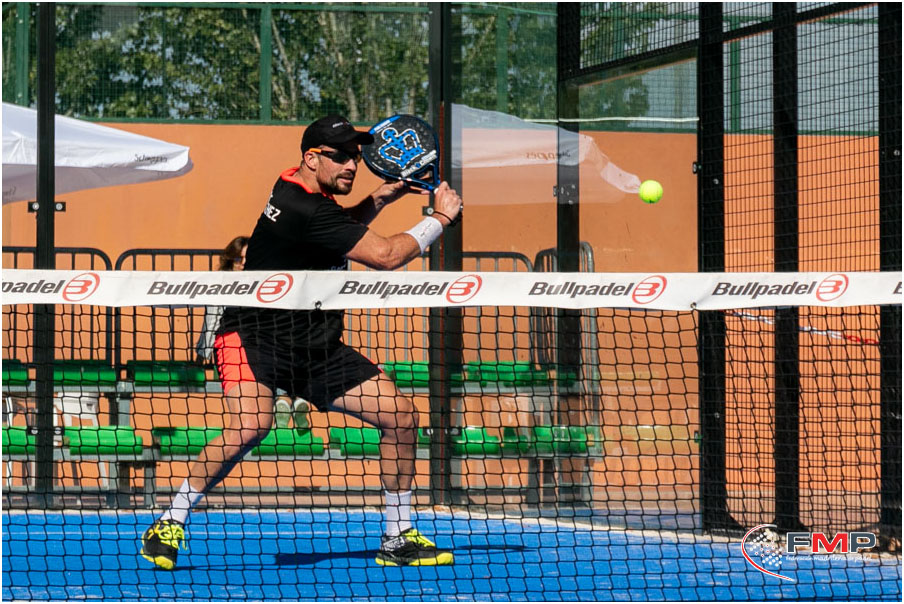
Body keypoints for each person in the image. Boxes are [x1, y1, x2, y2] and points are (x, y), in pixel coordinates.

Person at [140, 115, 463, 569]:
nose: (351, 165)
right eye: (340, 156)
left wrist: (380, 197)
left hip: (315, 344)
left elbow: (337, 228)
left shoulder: (297, 189)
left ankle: (397, 537)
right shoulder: (302, 208)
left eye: (355, 156)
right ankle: (169, 521)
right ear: (311, 158)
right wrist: (440, 219)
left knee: (401, 417)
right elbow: (386, 256)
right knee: (250, 427)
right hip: (254, 335)